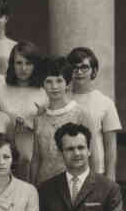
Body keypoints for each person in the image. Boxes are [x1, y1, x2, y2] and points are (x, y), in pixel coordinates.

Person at [30, 56, 95, 185]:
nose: (54, 86)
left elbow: (92, 156)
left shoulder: (81, 114)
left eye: (59, 81)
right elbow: (36, 158)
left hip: (74, 184)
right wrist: (32, 188)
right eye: (49, 81)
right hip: (45, 184)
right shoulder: (39, 117)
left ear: (68, 83)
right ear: (43, 84)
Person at [67, 46, 122, 180]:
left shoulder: (105, 102)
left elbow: (110, 145)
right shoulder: (61, 99)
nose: (79, 72)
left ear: (94, 71)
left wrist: (110, 176)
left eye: (84, 67)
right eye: (74, 68)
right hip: (64, 170)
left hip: (95, 171)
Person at [0, 41, 45, 181]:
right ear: (12, 64)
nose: (23, 68)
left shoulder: (43, 92)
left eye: (28, 63)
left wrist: (32, 126)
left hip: (33, 155)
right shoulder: (0, 90)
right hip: (5, 152)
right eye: (19, 63)